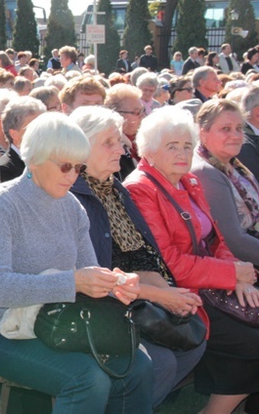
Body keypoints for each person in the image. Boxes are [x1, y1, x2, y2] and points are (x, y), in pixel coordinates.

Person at [0, 112, 152, 413]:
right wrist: (73, 282)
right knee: (87, 378)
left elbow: (88, 273)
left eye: (78, 167)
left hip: (52, 321)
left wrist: (114, 285)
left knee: (138, 365)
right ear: (34, 160)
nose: (72, 175)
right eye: (65, 165)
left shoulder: (71, 207)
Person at [124, 105, 259, 414]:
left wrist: (236, 276)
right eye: (172, 146)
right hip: (179, 296)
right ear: (150, 150)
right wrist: (231, 275)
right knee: (252, 341)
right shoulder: (141, 188)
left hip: (211, 284)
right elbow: (170, 262)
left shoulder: (188, 182)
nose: (183, 153)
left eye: (187, 145)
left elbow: (216, 241)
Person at [69, 106, 206, 408]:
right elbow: (95, 275)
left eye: (119, 140)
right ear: (81, 145)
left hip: (131, 300)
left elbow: (142, 256)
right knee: (159, 362)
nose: (122, 148)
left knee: (193, 339)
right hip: (93, 308)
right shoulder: (72, 195)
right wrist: (159, 295)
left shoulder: (115, 189)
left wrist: (171, 294)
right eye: (110, 142)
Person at [191, 99, 259, 266]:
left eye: (239, 128)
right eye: (225, 129)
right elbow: (234, 241)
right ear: (203, 133)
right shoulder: (206, 172)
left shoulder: (233, 164)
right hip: (243, 268)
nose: (236, 136)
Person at [0, 97, 46, 182]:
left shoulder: (48, 162)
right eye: (34, 128)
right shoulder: (3, 169)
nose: (42, 132)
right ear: (14, 134)